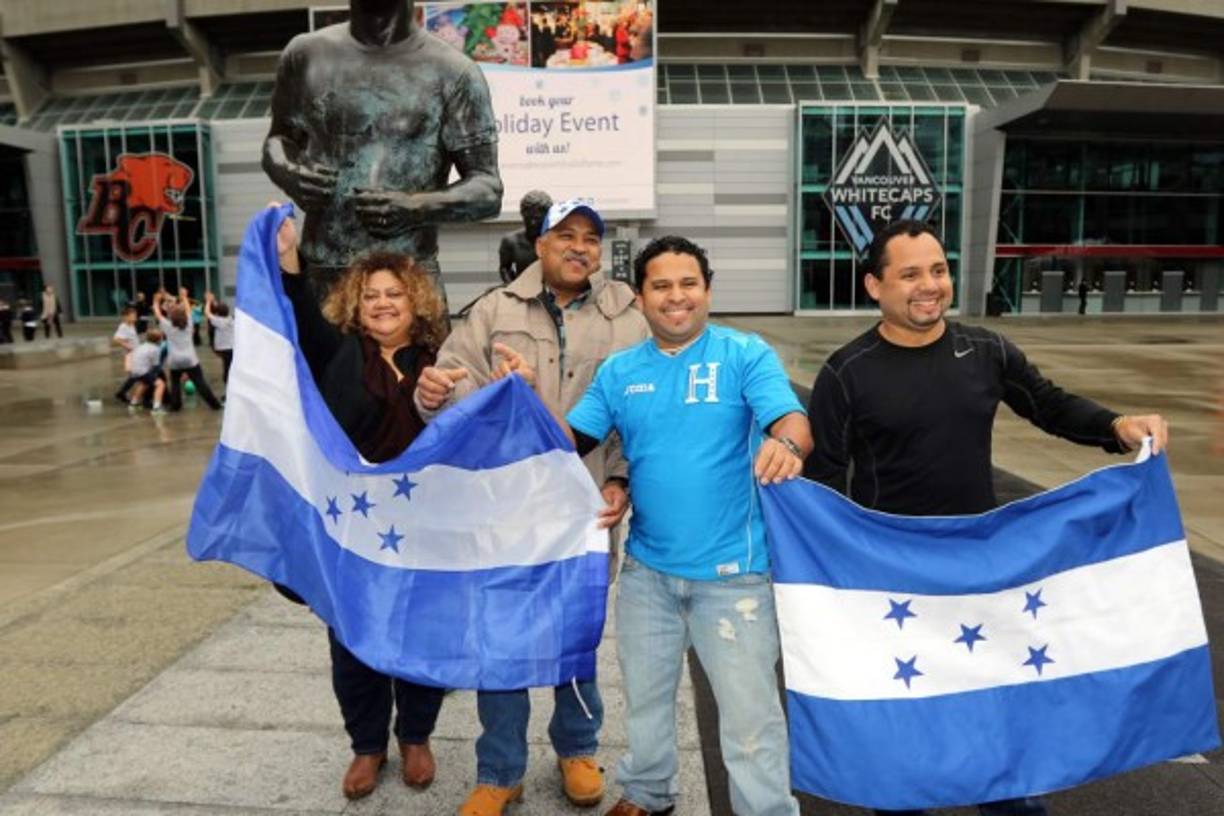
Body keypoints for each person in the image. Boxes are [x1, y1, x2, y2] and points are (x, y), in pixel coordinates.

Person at [803, 219, 1168, 816]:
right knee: (906, 734)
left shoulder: (988, 351)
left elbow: (1048, 404)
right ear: (874, 285)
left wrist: (1114, 426)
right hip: (895, 584)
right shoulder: (847, 372)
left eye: (939, 270)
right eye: (911, 274)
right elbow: (823, 485)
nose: (930, 286)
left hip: (982, 573)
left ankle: (1009, 800)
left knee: (993, 712)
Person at [550, 235, 811, 816]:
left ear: (708, 290)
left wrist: (788, 444)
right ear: (640, 298)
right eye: (660, 286)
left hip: (735, 580)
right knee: (644, 703)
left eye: (688, 283)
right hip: (648, 575)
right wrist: (516, 398)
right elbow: (570, 441)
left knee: (750, 721)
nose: (676, 297)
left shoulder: (745, 354)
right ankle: (648, 791)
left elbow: (791, 420)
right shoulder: (619, 372)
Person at [413, 198, 648, 816]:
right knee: (502, 637)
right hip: (506, 509)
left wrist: (619, 481)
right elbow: (447, 384)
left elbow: (638, 412)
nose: (579, 247)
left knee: (578, 630)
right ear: (539, 245)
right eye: (565, 235)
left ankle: (577, 748)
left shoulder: (627, 315)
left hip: (585, 509)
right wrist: (437, 389)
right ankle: (500, 770)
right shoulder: (494, 309)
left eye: (591, 238)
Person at [273, 207, 449, 801]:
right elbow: (297, 312)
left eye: (393, 293)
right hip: (353, 530)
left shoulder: (443, 359)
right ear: (355, 302)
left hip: (425, 529)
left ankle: (417, 737)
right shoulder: (336, 353)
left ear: (414, 299)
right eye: (370, 294)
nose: (381, 303)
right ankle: (367, 746)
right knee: (353, 642)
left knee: (420, 636)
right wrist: (288, 258)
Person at [262, 0, 503, 302]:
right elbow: (278, 139)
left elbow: (488, 189)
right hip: (323, 275)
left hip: (408, 280)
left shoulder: (453, 71)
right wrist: (290, 173)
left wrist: (414, 207)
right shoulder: (306, 55)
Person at [151, 288, 223, 412]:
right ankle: (214, 405)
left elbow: (157, 314)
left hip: (174, 360)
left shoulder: (168, 327)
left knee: (175, 384)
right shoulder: (189, 325)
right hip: (190, 359)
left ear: (171, 318)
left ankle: (176, 406)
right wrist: (184, 296)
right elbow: (189, 311)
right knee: (200, 383)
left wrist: (156, 301)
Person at [497, 190, 552, 284]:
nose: (532, 222)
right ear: (522, 214)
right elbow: (505, 268)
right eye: (529, 217)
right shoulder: (511, 241)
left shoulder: (554, 241)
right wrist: (513, 288)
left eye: (537, 218)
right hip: (522, 291)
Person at [127, 327, 168, 413]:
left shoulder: (142, 346)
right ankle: (156, 407)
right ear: (158, 340)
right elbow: (155, 366)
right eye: (161, 338)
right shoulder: (155, 349)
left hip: (135, 370)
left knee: (144, 383)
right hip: (143, 370)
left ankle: (133, 404)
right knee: (160, 384)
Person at [204, 292, 235, 386]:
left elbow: (207, 313)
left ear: (218, 313)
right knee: (228, 367)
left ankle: (229, 391)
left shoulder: (219, 321)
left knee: (227, 370)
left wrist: (208, 302)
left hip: (225, 349)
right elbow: (220, 309)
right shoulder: (230, 319)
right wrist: (212, 300)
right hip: (231, 347)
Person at [113, 307, 142, 403]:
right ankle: (122, 393)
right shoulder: (123, 326)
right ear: (126, 317)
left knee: (135, 375)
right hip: (130, 354)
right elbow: (116, 339)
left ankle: (122, 392)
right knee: (134, 375)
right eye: (133, 315)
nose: (135, 317)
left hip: (136, 353)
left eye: (135, 315)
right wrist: (127, 346)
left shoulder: (131, 325)